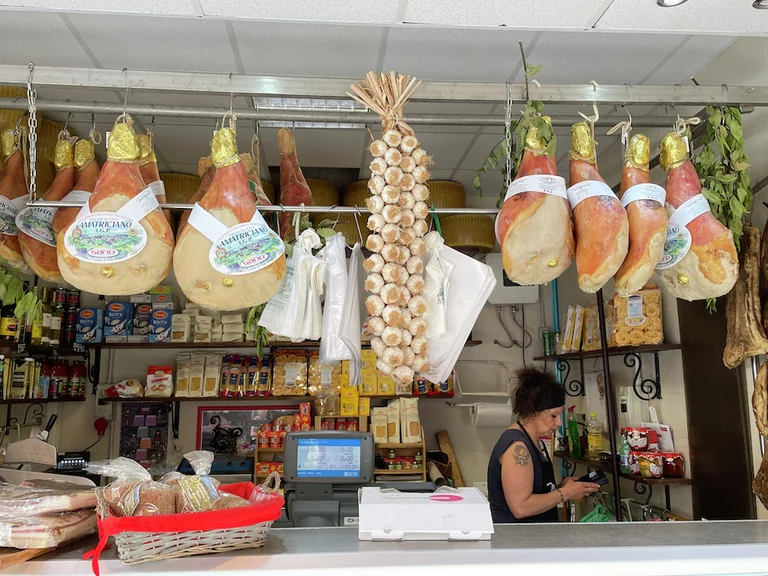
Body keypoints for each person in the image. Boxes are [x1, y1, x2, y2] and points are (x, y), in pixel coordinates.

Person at [487, 366, 600, 523]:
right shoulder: (517, 447)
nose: (559, 422)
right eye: (553, 416)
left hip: (538, 534)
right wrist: (565, 493)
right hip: (516, 536)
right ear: (533, 412)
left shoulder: (533, 440)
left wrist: (561, 487)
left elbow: (536, 492)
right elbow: (521, 507)